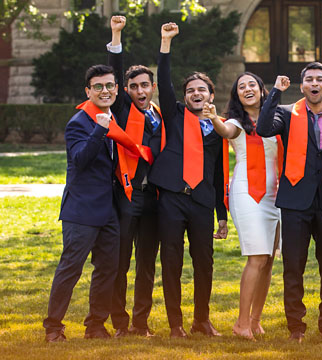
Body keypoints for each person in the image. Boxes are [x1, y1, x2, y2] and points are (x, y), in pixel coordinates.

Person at [43, 64, 150, 341]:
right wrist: (100, 130)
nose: (105, 91)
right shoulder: (79, 122)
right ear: (88, 91)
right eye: (99, 86)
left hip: (109, 211)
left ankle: (95, 325)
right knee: (71, 268)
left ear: (117, 89)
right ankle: (53, 327)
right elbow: (80, 160)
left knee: (108, 270)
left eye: (110, 86)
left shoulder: (114, 117)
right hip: (81, 210)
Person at [256, 63, 322, 345]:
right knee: (293, 266)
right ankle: (296, 326)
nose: (314, 83)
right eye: (309, 79)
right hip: (295, 200)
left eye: (319, 79)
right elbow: (262, 128)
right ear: (302, 86)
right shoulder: (287, 113)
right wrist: (274, 92)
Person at [147, 23, 228, 338]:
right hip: (171, 198)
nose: (196, 94)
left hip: (201, 202)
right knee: (171, 261)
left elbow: (220, 172)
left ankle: (201, 320)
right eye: (191, 90)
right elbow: (164, 82)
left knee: (204, 263)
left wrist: (221, 215)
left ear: (210, 95)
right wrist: (165, 42)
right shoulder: (174, 113)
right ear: (185, 96)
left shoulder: (216, 127)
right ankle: (175, 324)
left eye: (202, 90)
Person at [201, 72, 280, 341]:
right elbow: (225, 131)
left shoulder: (277, 118)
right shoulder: (235, 121)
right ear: (237, 94)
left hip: (276, 195)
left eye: (252, 84)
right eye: (241, 86)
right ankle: (241, 323)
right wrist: (213, 118)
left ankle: (255, 321)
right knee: (256, 257)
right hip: (248, 193)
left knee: (269, 260)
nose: (247, 88)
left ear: (261, 89)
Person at [106, 15, 164, 338]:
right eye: (134, 86)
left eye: (145, 85)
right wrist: (116, 35)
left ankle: (141, 323)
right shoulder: (126, 110)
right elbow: (113, 71)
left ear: (152, 88)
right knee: (120, 264)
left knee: (146, 266)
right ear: (125, 91)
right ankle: (120, 323)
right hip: (127, 197)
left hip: (153, 199)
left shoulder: (159, 115)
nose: (140, 90)